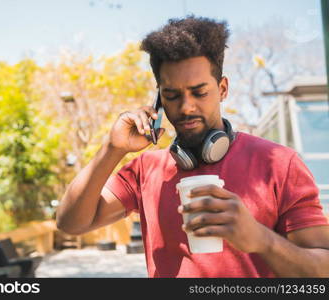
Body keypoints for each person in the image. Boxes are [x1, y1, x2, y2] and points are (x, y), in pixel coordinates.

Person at [56, 15, 329, 278]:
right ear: (159, 99)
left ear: (222, 89)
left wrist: (263, 241)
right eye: (172, 95)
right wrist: (112, 149)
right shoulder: (144, 169)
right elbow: (70, 223)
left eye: (200, 93)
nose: (186, 107)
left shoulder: (279, 163)